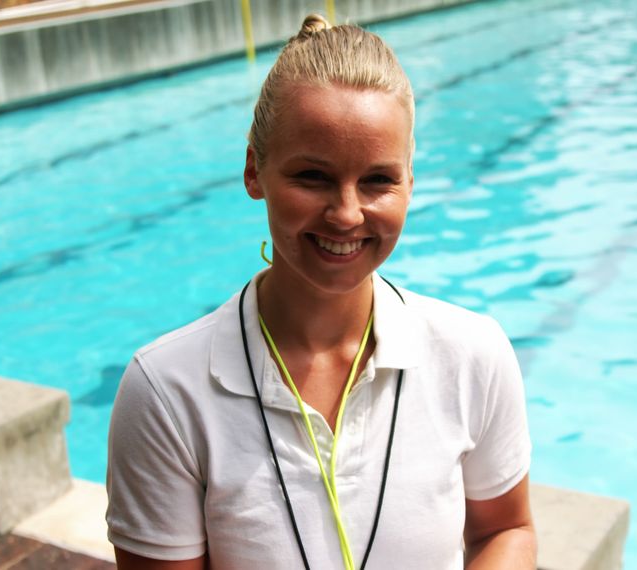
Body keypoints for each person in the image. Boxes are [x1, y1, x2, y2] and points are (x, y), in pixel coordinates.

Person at [106, 14, 535, 570]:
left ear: (410, 182)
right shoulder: (168, 392)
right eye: (312, 177)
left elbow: (506, 528)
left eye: (379, 180)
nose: (347, 213)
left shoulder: (473, 354)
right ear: (254, 172)